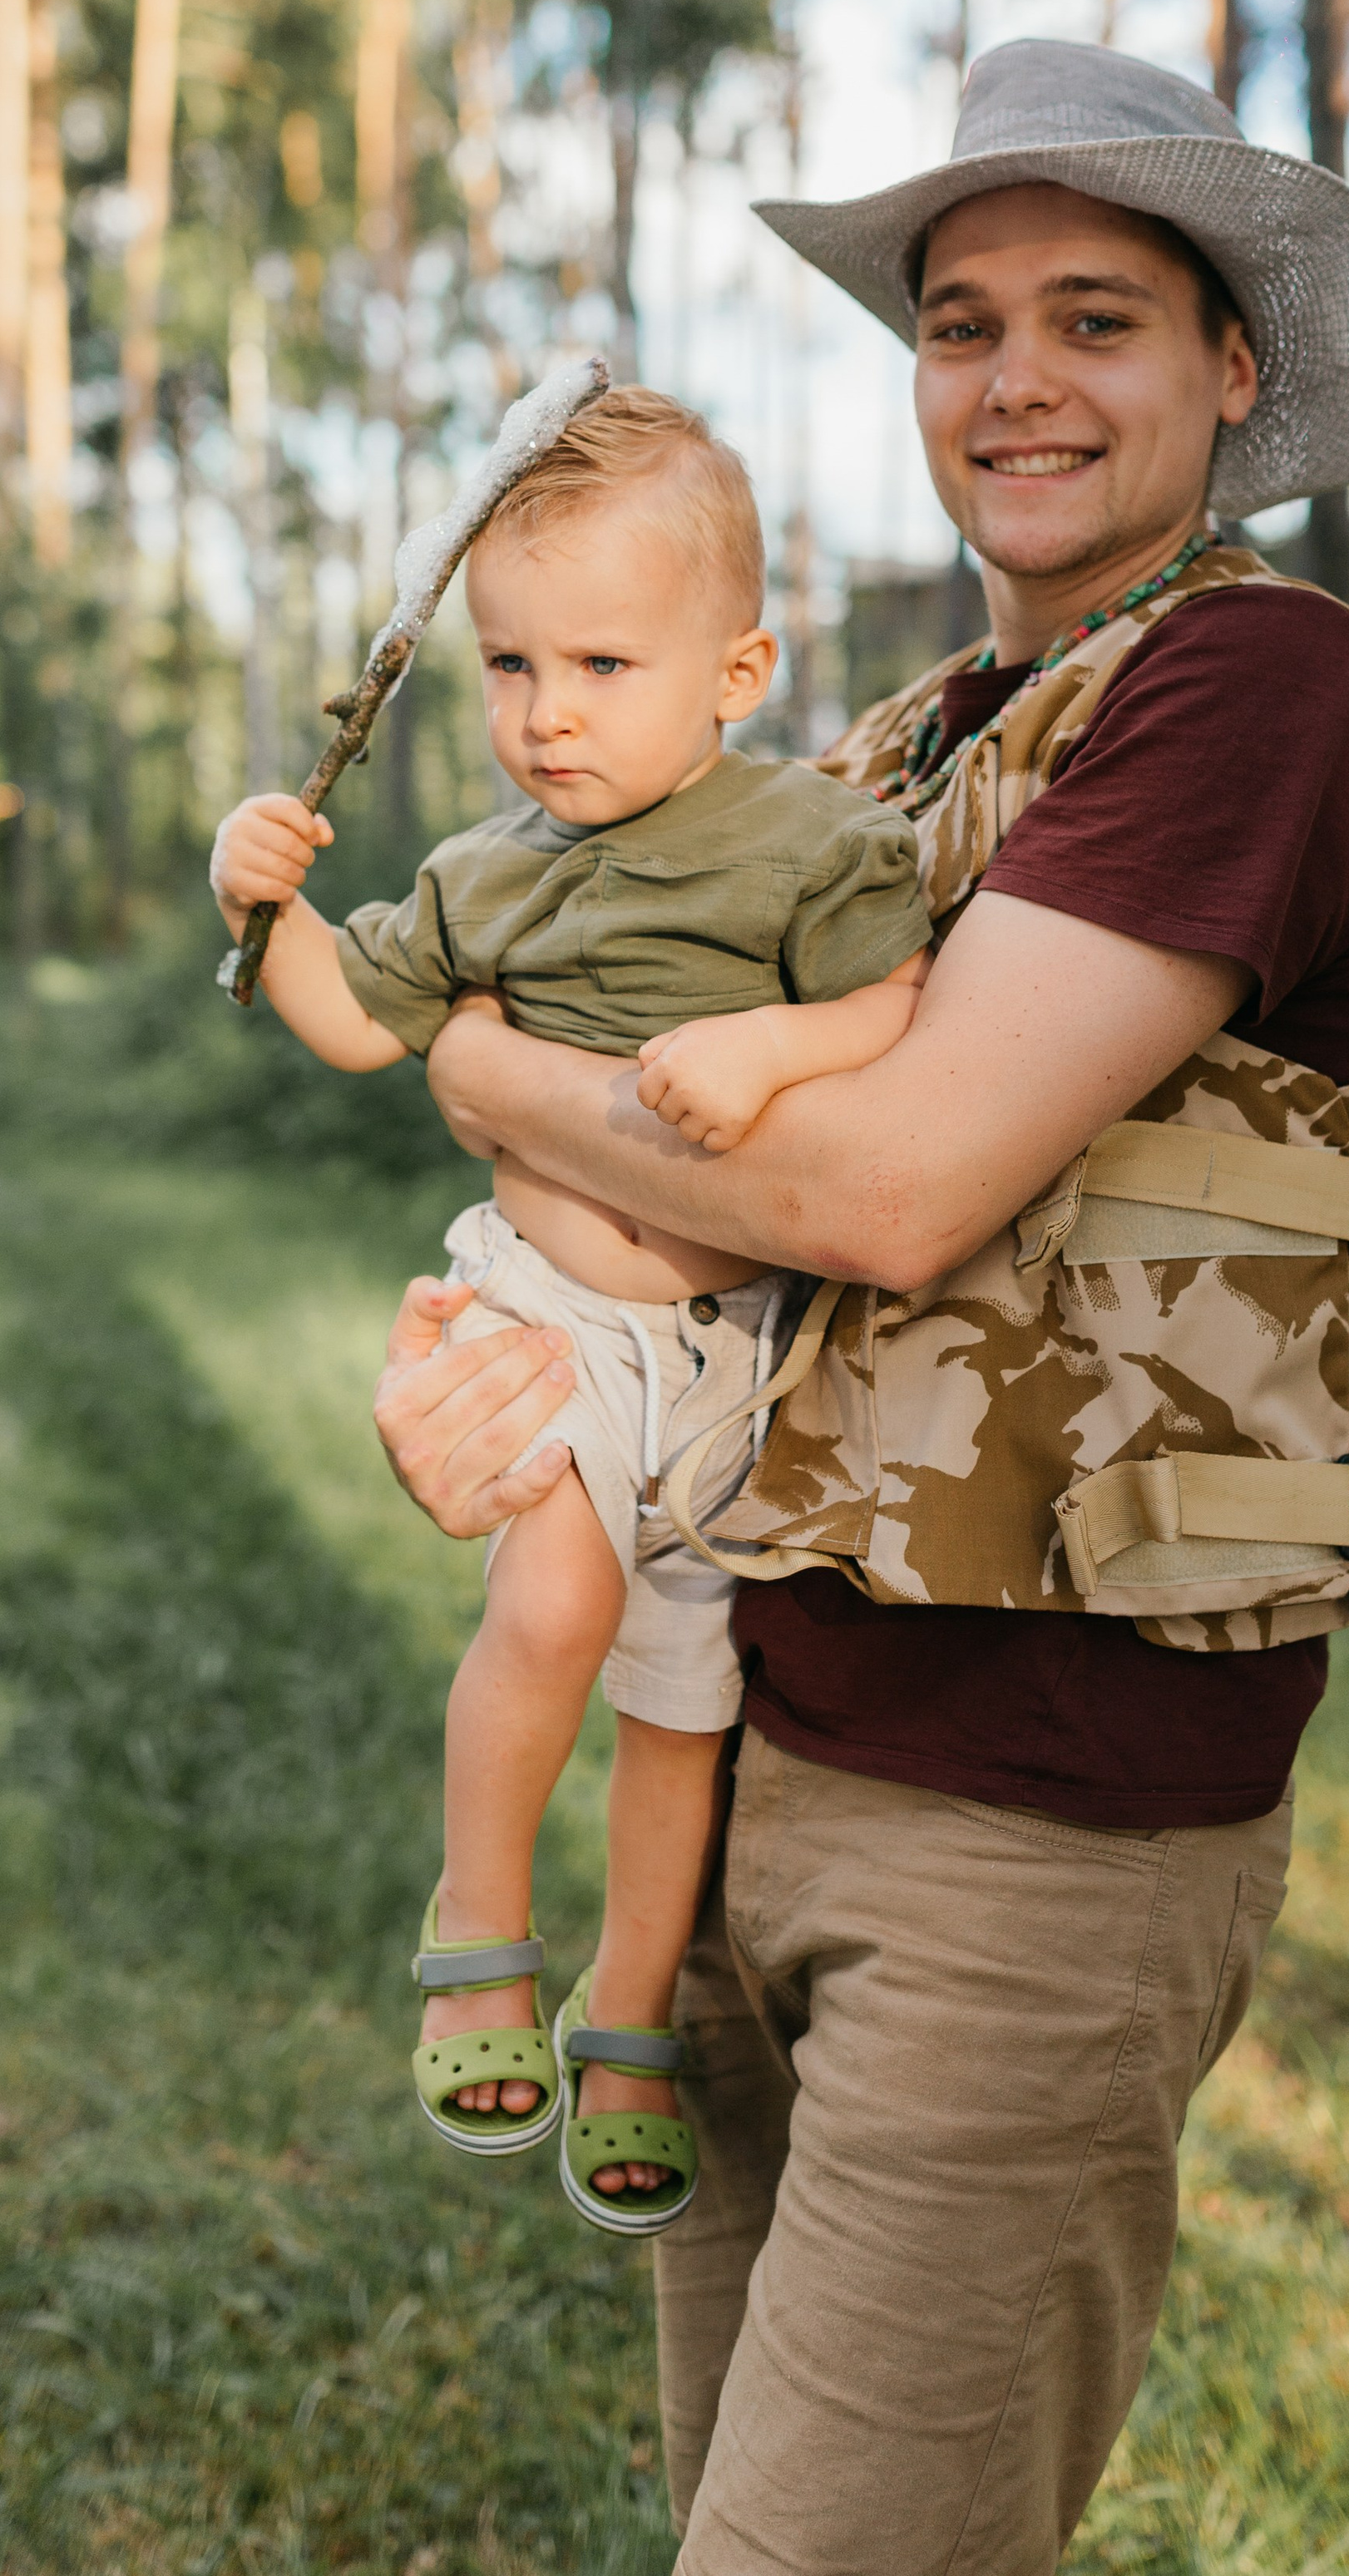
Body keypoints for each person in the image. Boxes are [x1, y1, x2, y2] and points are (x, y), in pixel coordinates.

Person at [370, 42, 1349, 2574]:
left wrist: (468, 1061)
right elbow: (669, 1226)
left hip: (1041, 1820)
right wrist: (498, 1392)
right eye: (961, 319)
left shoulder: (1262, 697)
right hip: (753, 1749)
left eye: (1099, 314)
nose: (1016, 377)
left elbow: (879, 1190)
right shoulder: (877, 759)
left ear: (1234, 369)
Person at [208, 385, 931, 2235]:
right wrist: (263, 898)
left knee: (683, 1712)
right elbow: (357, 1026)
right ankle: (474, 1918)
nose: (546, 712)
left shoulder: (804, 846)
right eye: (513, 663)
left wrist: (771, 1043)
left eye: (603, 660)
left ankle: (626, 2017)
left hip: (728, 1364)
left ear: (735, 666)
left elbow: (896, 1012)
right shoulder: (481, 871)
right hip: (547, 1315)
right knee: (547, 1606)